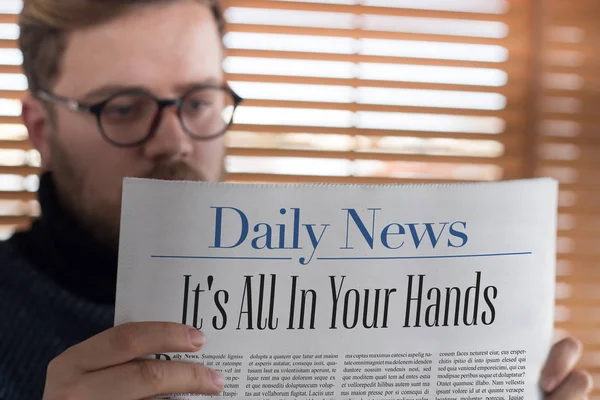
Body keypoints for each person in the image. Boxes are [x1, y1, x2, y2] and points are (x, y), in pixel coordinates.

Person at [0, 0, 592, 398]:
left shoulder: (336, 300)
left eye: (200, 100)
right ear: (42, 130)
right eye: (123, 109)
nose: (175, 140)